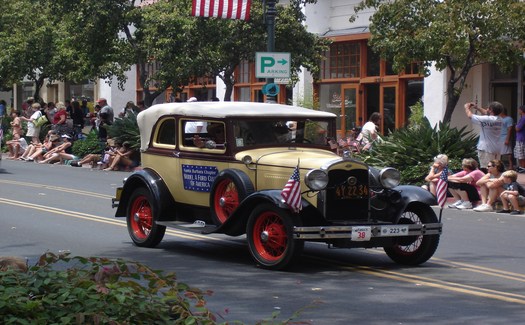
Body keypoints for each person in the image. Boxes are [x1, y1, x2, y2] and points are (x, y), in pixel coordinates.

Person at [464, 101, 503, 172]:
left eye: (488, 108)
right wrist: (477, 107)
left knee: (486, 169)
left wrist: (467, 108)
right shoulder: (500, 119)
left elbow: (470, 116)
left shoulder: (487, 119)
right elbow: (486, 112)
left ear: (491, 110)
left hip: (486, 149)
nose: (486, 109)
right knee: (496, 168)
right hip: (497, 148)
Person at [514, 105, 525, 172]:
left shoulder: (523, 118)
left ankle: (522, 168)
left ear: (522, 110)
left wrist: (515, 125)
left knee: (521, 154)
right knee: (521, 154)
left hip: (521, 139)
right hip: (521, 138)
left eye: (519, 109)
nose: (518, 111)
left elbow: (517, 128)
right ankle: (521, 167)